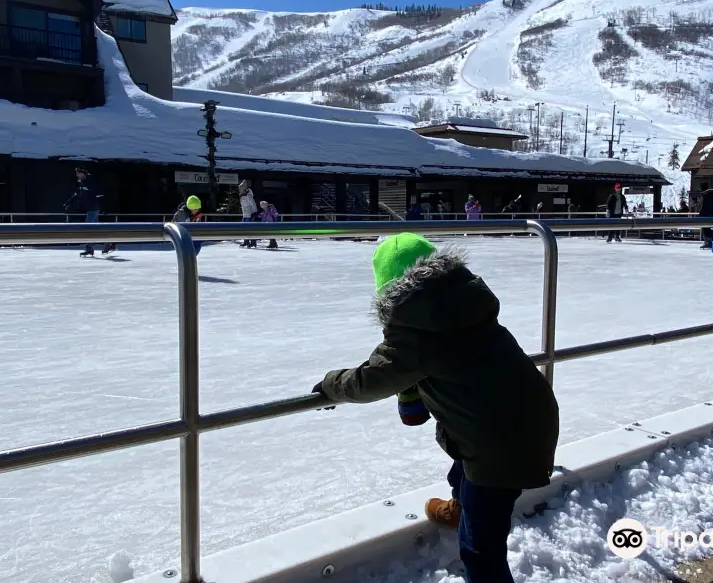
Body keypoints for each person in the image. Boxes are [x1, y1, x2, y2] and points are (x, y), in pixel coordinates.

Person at [311, 233, 559, 583]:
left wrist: (330, 385)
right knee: (464, 464)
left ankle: (472, 529)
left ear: (390, 287)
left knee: (480, 549)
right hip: (528, 415)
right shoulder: (460, 304)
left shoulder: (417, 329)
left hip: (498, 446)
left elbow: (373, 380)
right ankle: (461, 509)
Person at [63, 167, 106, 257]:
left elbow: (99, 195)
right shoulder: (81, 182)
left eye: (78, 173)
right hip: (89, 208)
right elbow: (77, 194)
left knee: (88, 227)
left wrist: (102, 207)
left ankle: (89, 248)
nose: (76, 175)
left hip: (94, 208)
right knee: (96, 228)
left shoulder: (91, 181)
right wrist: (69, 202)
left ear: (83, 173)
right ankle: (108, 243)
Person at [696, 183, 713, 249]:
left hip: (704, 213)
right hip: (711, 213)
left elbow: (701, 205)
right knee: (708, 228)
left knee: (705, 228)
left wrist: (699, 213)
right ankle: (709, 241)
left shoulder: (704, 195)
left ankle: (707, 242)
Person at [239, 180, 259, 249]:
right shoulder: (242, 196)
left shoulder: (248, 195)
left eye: (241, 188)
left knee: (251, 229)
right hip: (245, 214)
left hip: (250, 214)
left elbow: (253, 204)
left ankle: (253, 242)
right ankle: (246, 241)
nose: (239, 190)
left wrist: (254, 213)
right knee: (244, 229)